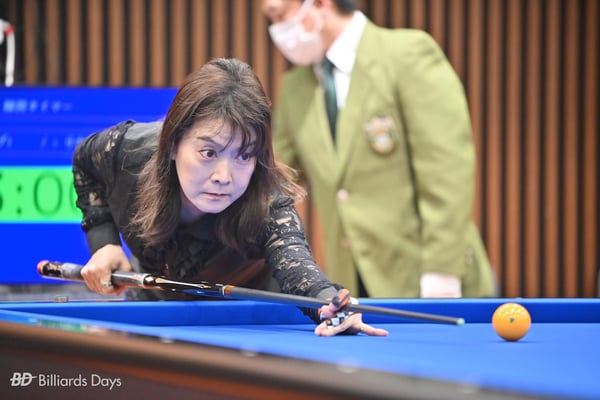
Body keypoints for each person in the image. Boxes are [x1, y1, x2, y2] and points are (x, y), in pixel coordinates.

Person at [72, 57, 387, 337]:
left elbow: (300, 271)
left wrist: (331, 305)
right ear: (172, 143)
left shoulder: (268, 203)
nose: (224, 176)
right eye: (209, 152)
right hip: (154, 312)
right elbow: (85, 160)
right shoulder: (130, 151)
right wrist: (104, 242)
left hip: (246, 327)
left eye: (244, 155)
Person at [262, 0, 497, 298]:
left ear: (320, 4)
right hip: (350, 282)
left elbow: (447, 170)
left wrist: (442, 271)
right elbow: (279, 175)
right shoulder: (295, 86)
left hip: (426, 274)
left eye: (280, 15)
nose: (277, 30)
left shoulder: (406, 54)